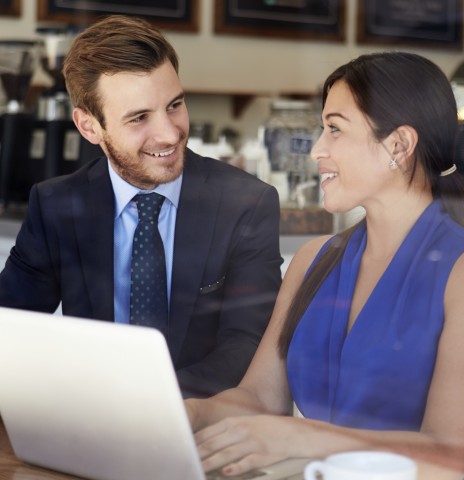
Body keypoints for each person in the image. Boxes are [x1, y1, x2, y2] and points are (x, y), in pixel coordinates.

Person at [186, 52, 464, 479]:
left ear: (398, 144)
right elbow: (258, 400)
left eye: (334, 129)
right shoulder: (313, 261)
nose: (317, 150)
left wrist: (299, 437)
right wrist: (189, 413)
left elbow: (450, 453)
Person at [0, 15, 283, 399]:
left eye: (175, 105)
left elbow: (248, 344)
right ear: (89, 127)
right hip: (88, 416)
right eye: (139, 118)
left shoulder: (247, 203)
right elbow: (12, 329)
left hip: (202, 423)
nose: (168, 133)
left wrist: (148, 402)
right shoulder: (56, 206)